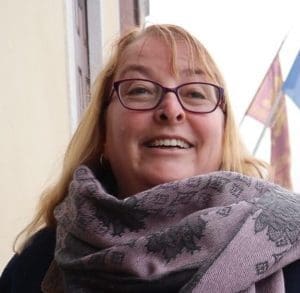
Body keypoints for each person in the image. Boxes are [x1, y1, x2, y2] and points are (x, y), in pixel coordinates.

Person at [1, 24, 299, 293]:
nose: (171, 109)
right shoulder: (34, 267)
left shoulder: (294, 254)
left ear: (223, 134)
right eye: (141, 90)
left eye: (196, 94)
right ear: (103, 129)